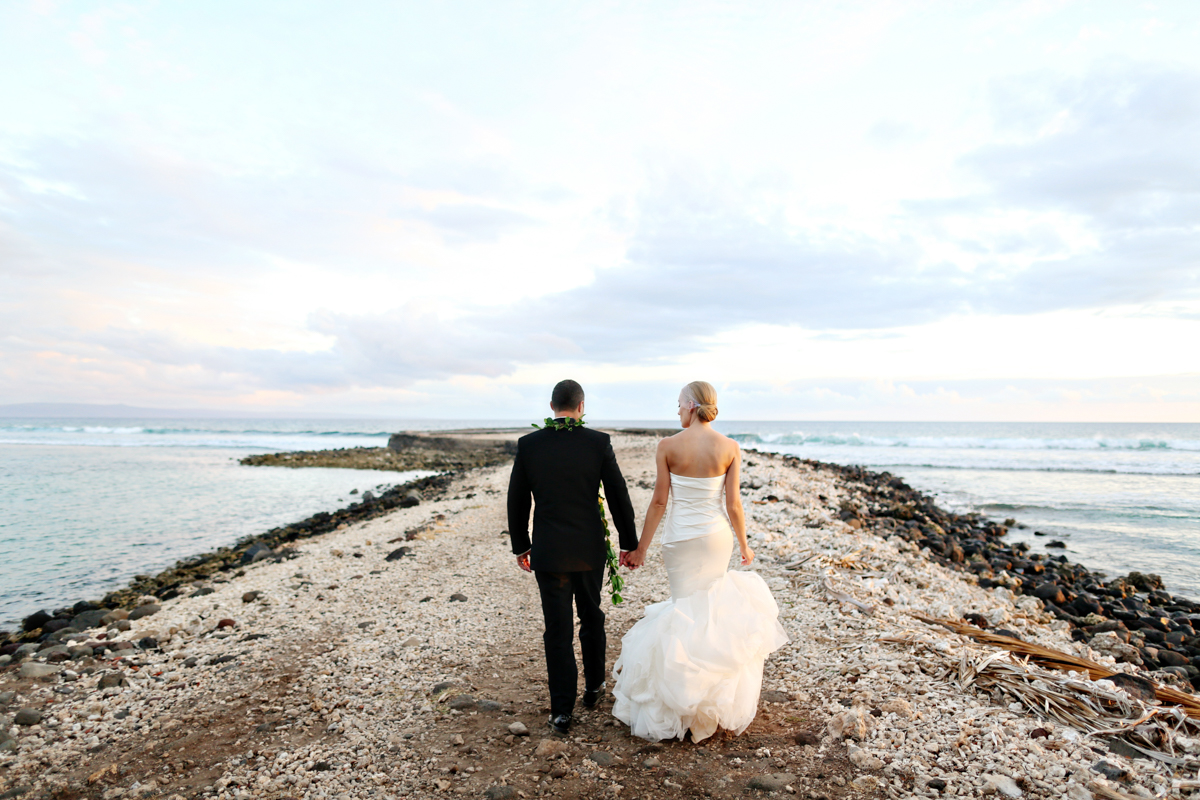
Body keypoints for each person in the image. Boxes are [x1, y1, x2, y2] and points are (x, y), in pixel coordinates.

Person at [612, 381, 788, 742]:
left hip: (680, 539)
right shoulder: (730, 447)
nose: (676, 412)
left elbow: (659, 503)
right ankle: (709, 701)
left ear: (691, 406)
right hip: (716, 538)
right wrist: (744, 544)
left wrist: (641, 549)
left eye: (678, 405)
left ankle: (682, 699)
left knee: (684, 608)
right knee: (710, 610)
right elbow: (733, 504)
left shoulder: (667, 446)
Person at [507, 379, 640, 735]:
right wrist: (629, 543)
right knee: (592, 616)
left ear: (552, 407)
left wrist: (522, 545)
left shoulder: (529, 445)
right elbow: (617, 496)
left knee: (558, 630)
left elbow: (518, 499)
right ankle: (595, 687)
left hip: (548, 552)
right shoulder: (597, 443)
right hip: (588, 550)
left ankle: (562, 710)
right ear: (581, 407)